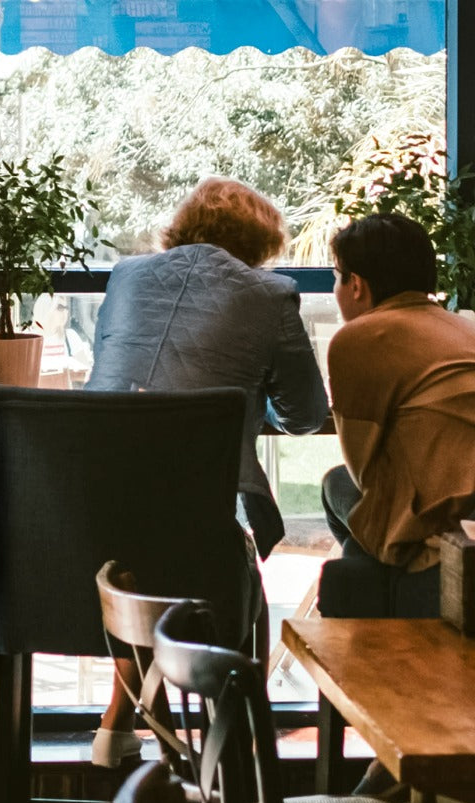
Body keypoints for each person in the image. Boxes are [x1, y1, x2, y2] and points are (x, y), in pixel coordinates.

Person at [84, 177, 329, 766]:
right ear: (261, 242)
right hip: (196, 525)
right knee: (231, 569)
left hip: (86, 510)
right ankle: (234, 757)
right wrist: (250, 394)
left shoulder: (126, 275)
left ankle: (129, 720)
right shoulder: (270, 295)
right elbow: (305, 414)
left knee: (142, 555)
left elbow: (116, 363)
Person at [322, 211, 475, 573]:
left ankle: (371, 590)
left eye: (335, 280)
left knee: (337, 483)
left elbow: (363, 469)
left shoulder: (359, 339)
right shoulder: (465, 328)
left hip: (435, 524)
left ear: (356, 285)